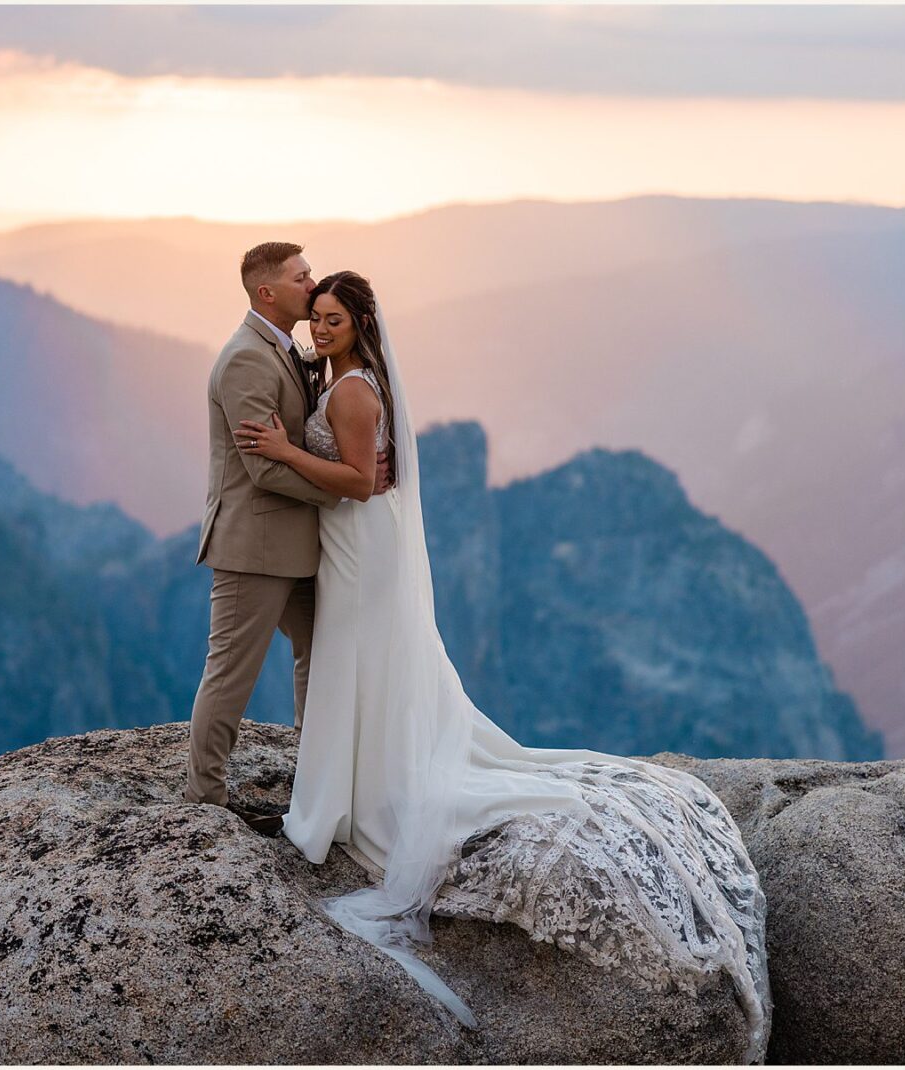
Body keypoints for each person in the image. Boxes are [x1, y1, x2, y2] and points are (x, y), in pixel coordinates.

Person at [233, 270, 772, 1061]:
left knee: (361, 659)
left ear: (360, 325)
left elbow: (354, 480)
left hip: (360, 548)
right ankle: (352, 782)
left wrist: (282, 450)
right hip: (354, 546)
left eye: (334, 320)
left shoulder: (352, 391)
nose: (320, 330)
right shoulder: (342, 377)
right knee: (359, 662)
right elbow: (367, 474)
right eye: (315, 318)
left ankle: (354, 793)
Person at [183, 243, 389, 833]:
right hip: (256, 544)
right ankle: (204, 798)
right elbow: (263, 467)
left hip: (298, 543)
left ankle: (318, 777)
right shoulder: (247, 359)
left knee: (320, 656)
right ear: (267, 292)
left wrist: (372, 465)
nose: (313, 283)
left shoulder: (287, 348)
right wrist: (347, 490)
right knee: (231, 669)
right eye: (302, 278)